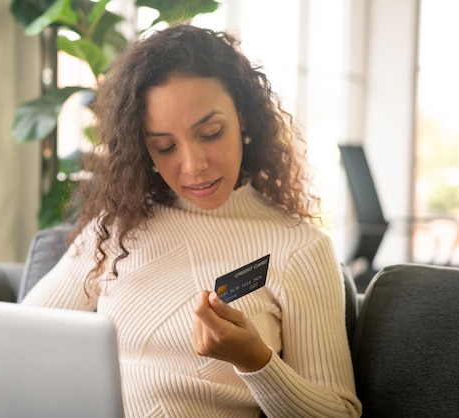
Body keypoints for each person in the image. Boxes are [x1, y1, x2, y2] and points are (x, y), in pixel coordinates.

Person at [22, 24, 362, 417]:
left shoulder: (299, 248)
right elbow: (19, 340)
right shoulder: (117, 227)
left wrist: (256, 361)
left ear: (244, 118)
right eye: (164, 147)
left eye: (211, 133)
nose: (193, 166)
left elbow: (339, 412)